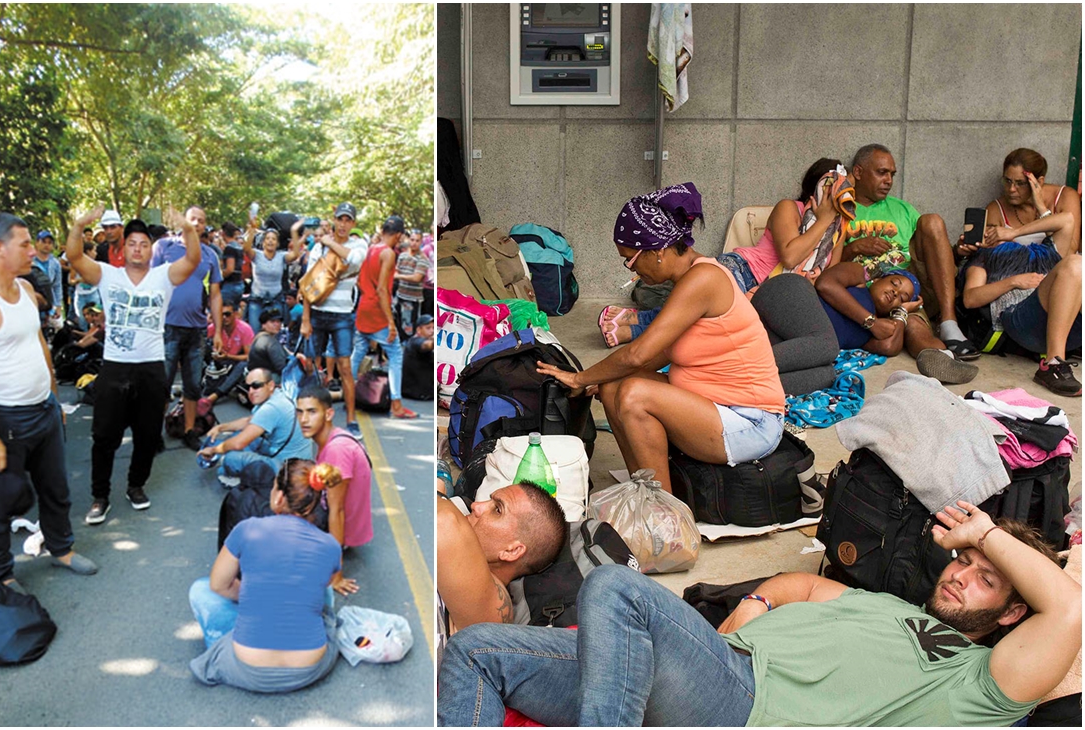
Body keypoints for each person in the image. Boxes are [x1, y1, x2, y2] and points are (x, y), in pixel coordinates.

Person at [439, 503, 1081, 727]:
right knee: (476, 651)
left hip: (746, 707)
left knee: (613, 586)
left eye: (985, 578)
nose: (960, 574)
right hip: (703, 670)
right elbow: (802, 582)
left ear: (1011, 612)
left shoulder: (985, 680)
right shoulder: (890, 607)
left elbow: (1070, 608)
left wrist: (988, 533)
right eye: (963, 562)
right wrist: (751, 605)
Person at [539, 185, 786, 482]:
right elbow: (660, 354)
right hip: (716, 406)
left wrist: (579, 378)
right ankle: (643, 488)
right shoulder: (689, 279)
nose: (631, 271)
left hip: (751, 421)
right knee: (613, 387)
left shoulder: (704, 279)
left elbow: (637, 354)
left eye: (629, 259)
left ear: (657, 251)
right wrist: (602, 379)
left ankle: (663, 512)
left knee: (633, 394)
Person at [0, 212, 98, 592]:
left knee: (56, 488)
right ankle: (2, 573)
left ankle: (61, 548)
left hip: (43, 411)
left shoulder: (24, 290)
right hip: (3, 419)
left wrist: (54, 398)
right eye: (25, 244)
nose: (34, 250)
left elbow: (39, 346)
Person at [601, 159, 852, 347]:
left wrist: (814, 272)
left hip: (774, 293)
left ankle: (639, 319)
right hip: (744, 271)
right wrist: (823, 220)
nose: (845, 198)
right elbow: (790, 256)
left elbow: (827, 277)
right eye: (837, 192)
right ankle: (636, 328)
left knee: (712, 329)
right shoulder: (790, 208)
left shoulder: (838, 232)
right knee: (699, 317)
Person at [65, 206, 201, 524]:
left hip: (152, 367)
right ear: (122, 247)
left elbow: (193, 260)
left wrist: (187, 229)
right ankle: (100, 496)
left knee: (147, 433)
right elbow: (74, 257)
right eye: (132, 243)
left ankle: (136, 486)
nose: (138, 249)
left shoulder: (163, 276)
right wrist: (79, 224)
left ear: (150, 249)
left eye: (143, 244)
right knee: (104, 436)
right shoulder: (106, 274)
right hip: (115, 366)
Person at [187, 460, 343, 693]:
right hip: (309, 668)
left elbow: (219, 585)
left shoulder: (247, 529)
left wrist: (256, 595)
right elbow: (326, 585)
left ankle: (223, 639)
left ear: (279, 497)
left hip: (249, 668)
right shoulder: (331, 545)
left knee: (201, 590)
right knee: (324, 594)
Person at [841, 143, 979, 360]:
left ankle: (948, 322)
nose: (888, 181)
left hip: (905, 290)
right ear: (858, 172)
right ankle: (941, 358)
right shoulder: (841, 209)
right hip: (864, 294)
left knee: (932, 221)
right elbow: (823, 267)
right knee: (913, 327)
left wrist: (958, 252)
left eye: (892, 175)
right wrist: (854, 248)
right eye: (881, 173)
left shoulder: (902, 209)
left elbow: (931, 255)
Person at [962, 211, 1081, 396]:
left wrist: (1014, 232)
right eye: (990, 229)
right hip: (1022, 318)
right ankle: (1052, 365)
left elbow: (1067, 219)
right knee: (1075, 263)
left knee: (1077, 265)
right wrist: (1014, 281)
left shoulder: (1047, 251)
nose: (995, 232)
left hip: (1068, 324)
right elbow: (970, 298)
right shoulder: (985, 256)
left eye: (997, 229)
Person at [435, 479, 568, 639]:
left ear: (512, 551)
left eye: (497, 509)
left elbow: (444, 521)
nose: (476, 506)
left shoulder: (496, 607)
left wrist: (438, 492)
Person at [816, 261, 980, 384]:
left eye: (902, 298)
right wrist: (870, 322)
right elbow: (825, 284)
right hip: (801, 314)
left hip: (812, 345)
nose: (895, 292)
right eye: (894, 283)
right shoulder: (858, 277)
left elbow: (889, 347)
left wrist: (902, 312)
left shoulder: (876, 331)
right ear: (877, 280)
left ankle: (946, 360)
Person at [153, 206, 224, 451]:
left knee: (193, 385)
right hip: (167, 327)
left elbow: (215, 295)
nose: (196, 223)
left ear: (205, 226)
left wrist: (218, 331)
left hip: (197, 329)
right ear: (184, 221)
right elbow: (150, 283)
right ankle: (154, 433)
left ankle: (189, 430)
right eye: (192, 218)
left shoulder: (210, 255)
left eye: (201, 221)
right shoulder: (163, 248)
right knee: (161, 383)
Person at [297, 386, 373, 593]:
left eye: (312, 412)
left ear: (329, 413)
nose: (304, 419)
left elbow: (336, 511)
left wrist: (336, 575)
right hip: (337, 512)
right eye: (300, 412)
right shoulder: (333, 436)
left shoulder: (336, 450)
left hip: (342, 525)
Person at [301, 202, 368, 435]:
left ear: (353, 224)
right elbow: (307, 283)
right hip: (318, 314)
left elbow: (355, 260)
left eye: (348, 220)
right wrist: (305, 319)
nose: (343, 224)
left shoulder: (358, 243)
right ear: (334, 219)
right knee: (311, 365)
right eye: (340, 219)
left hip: (342, 316)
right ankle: (311, 415)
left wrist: (329, 243)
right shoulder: (319, 248)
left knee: (346, 369)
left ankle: (351, 418)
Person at [351, 214, 418, 420]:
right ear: (398, 235)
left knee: (360, 350)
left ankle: (349, 395)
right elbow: (382, 289)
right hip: (377, 311)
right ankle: (396, 405)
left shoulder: (372, 248)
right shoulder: (388, 253)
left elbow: (360, 282)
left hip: (364, 306)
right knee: (396, 354)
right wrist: (390, 323)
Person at [962, 147, 1082, 259]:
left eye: (1020, 183)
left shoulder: (1064, 196)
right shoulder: (997, 209)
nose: (1011, 189)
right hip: (1019, 275)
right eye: (1007, 181)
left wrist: (1041, 208)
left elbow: (1069, 251)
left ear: (1038, 182)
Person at [200, 368, 316, 478]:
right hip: (294, 457)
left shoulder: (271, 408)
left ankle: (232, 468)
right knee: (242, 437)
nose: (250, 391)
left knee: (230, 459)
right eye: (248, 387)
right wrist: (221, 428)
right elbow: (249, 421)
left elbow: (238, 443)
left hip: (289, 468)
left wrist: (214, 450)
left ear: (270, 385)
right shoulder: (277, 395)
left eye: (256, 386)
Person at [243, 216, 304, 330]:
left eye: (273, 239)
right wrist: (251, 229)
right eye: (268, 238)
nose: (270, 241)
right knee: (255, 333)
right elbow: (246, 249)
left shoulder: (281, 256)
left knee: (274, 334)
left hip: (275, 300)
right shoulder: (256, 255)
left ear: (277, 243)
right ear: (263, 242)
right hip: (257, 300)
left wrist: (294, 233)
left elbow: (295, 254)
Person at [394, 230, 431, 338]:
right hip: (400, 296)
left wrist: (398, 276)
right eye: (412, 240)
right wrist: (397, 275)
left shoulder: (423, 258)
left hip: (412, 299)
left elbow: (417, 278)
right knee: (399, 325)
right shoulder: (402, 255)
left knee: (409, 328)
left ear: (421, 242)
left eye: (417, 240)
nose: (414, 243)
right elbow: (396, 270)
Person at [401, 314, 435, 401]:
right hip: (419, 393)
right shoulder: (415, 341)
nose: (432, 331)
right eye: (428, 328)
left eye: (433, 328)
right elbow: (426, 345)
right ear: (419, 329)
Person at [33, 229, 63, 326]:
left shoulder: (55, 263)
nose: (47, 245)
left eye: (50, 243)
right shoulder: (29, 261)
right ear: (37, 243)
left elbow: (57, 285)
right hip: (33, 299)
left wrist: (58, 305)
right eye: (43, 242)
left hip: (49, 301)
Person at [249, 309, 290, 375]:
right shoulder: (270, 342)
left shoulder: (259, 337)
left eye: (278, 321)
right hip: (268, 378)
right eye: (272, 321)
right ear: (263, 325)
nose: (276, 324)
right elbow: (282, 367)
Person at [219, 220, 246, 315]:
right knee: (234, 313)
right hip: (239, 283)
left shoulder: (229, 248)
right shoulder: (238, 247)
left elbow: (230, 269)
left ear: (223, 233)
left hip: (230, 285)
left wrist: (220, 276)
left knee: (223, 311)